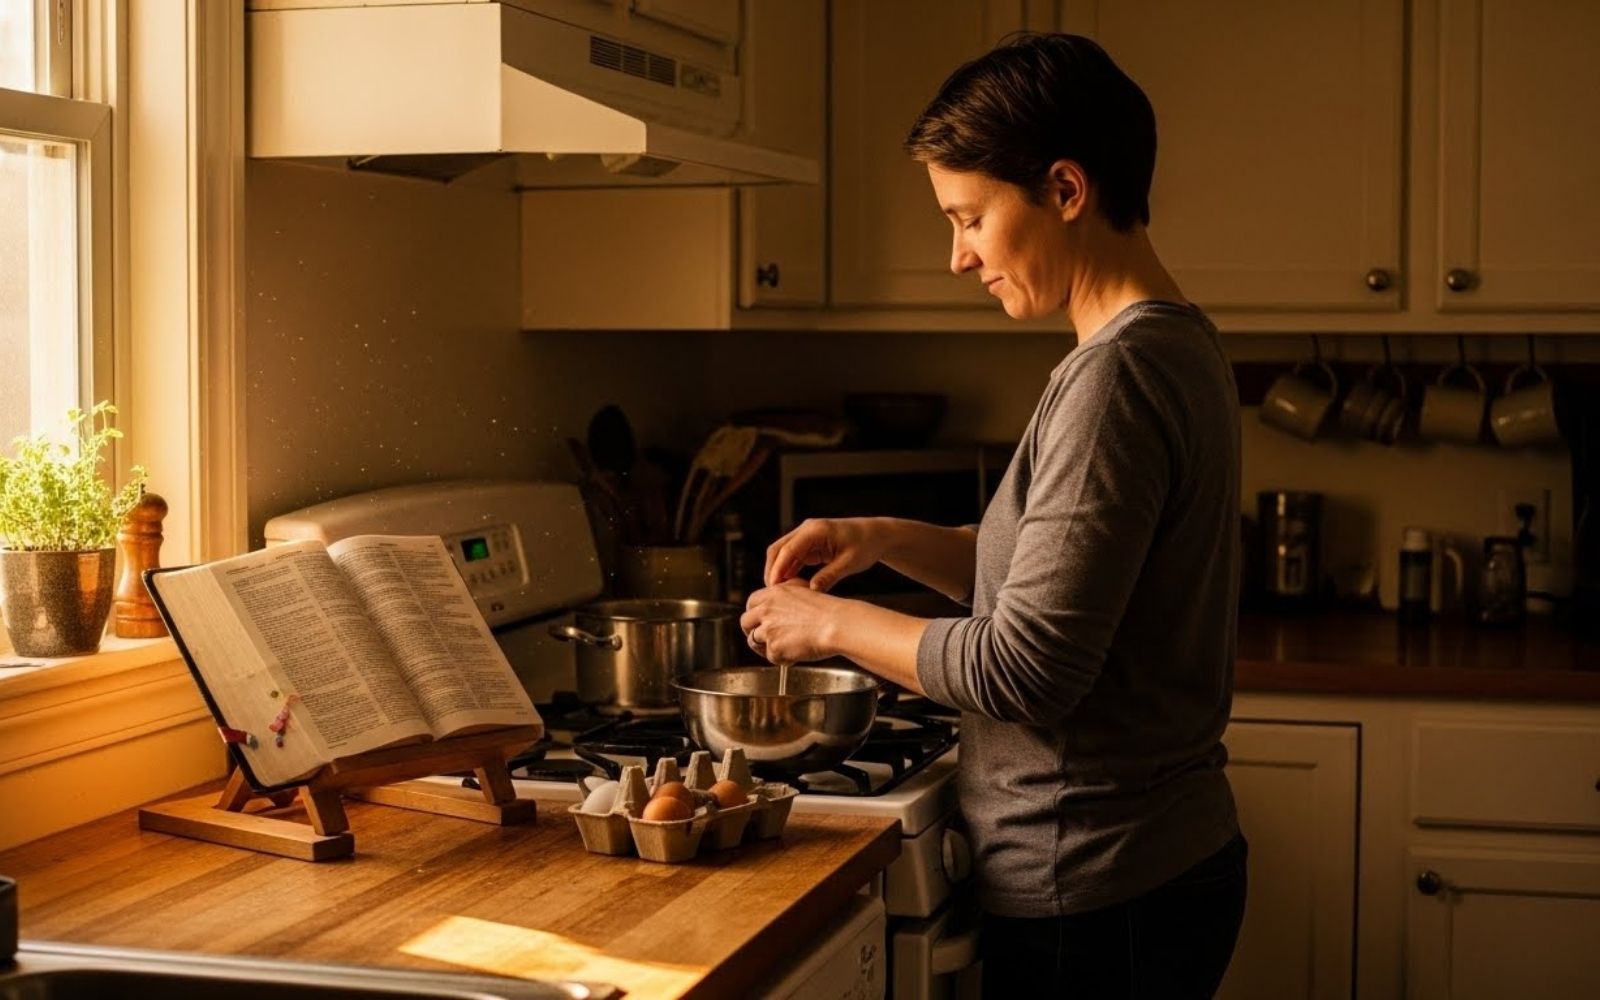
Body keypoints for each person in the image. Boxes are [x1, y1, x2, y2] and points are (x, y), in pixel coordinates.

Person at [738, 32, 1246, 998]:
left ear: (1064, 190)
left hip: (1099, 890)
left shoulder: (1117, 378)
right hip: (1147, 871)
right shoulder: (1172, 344)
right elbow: (1062, 579)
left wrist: (830, 625)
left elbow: (1026, 668)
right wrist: (883, 540)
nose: (959, 256)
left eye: (969, 217)